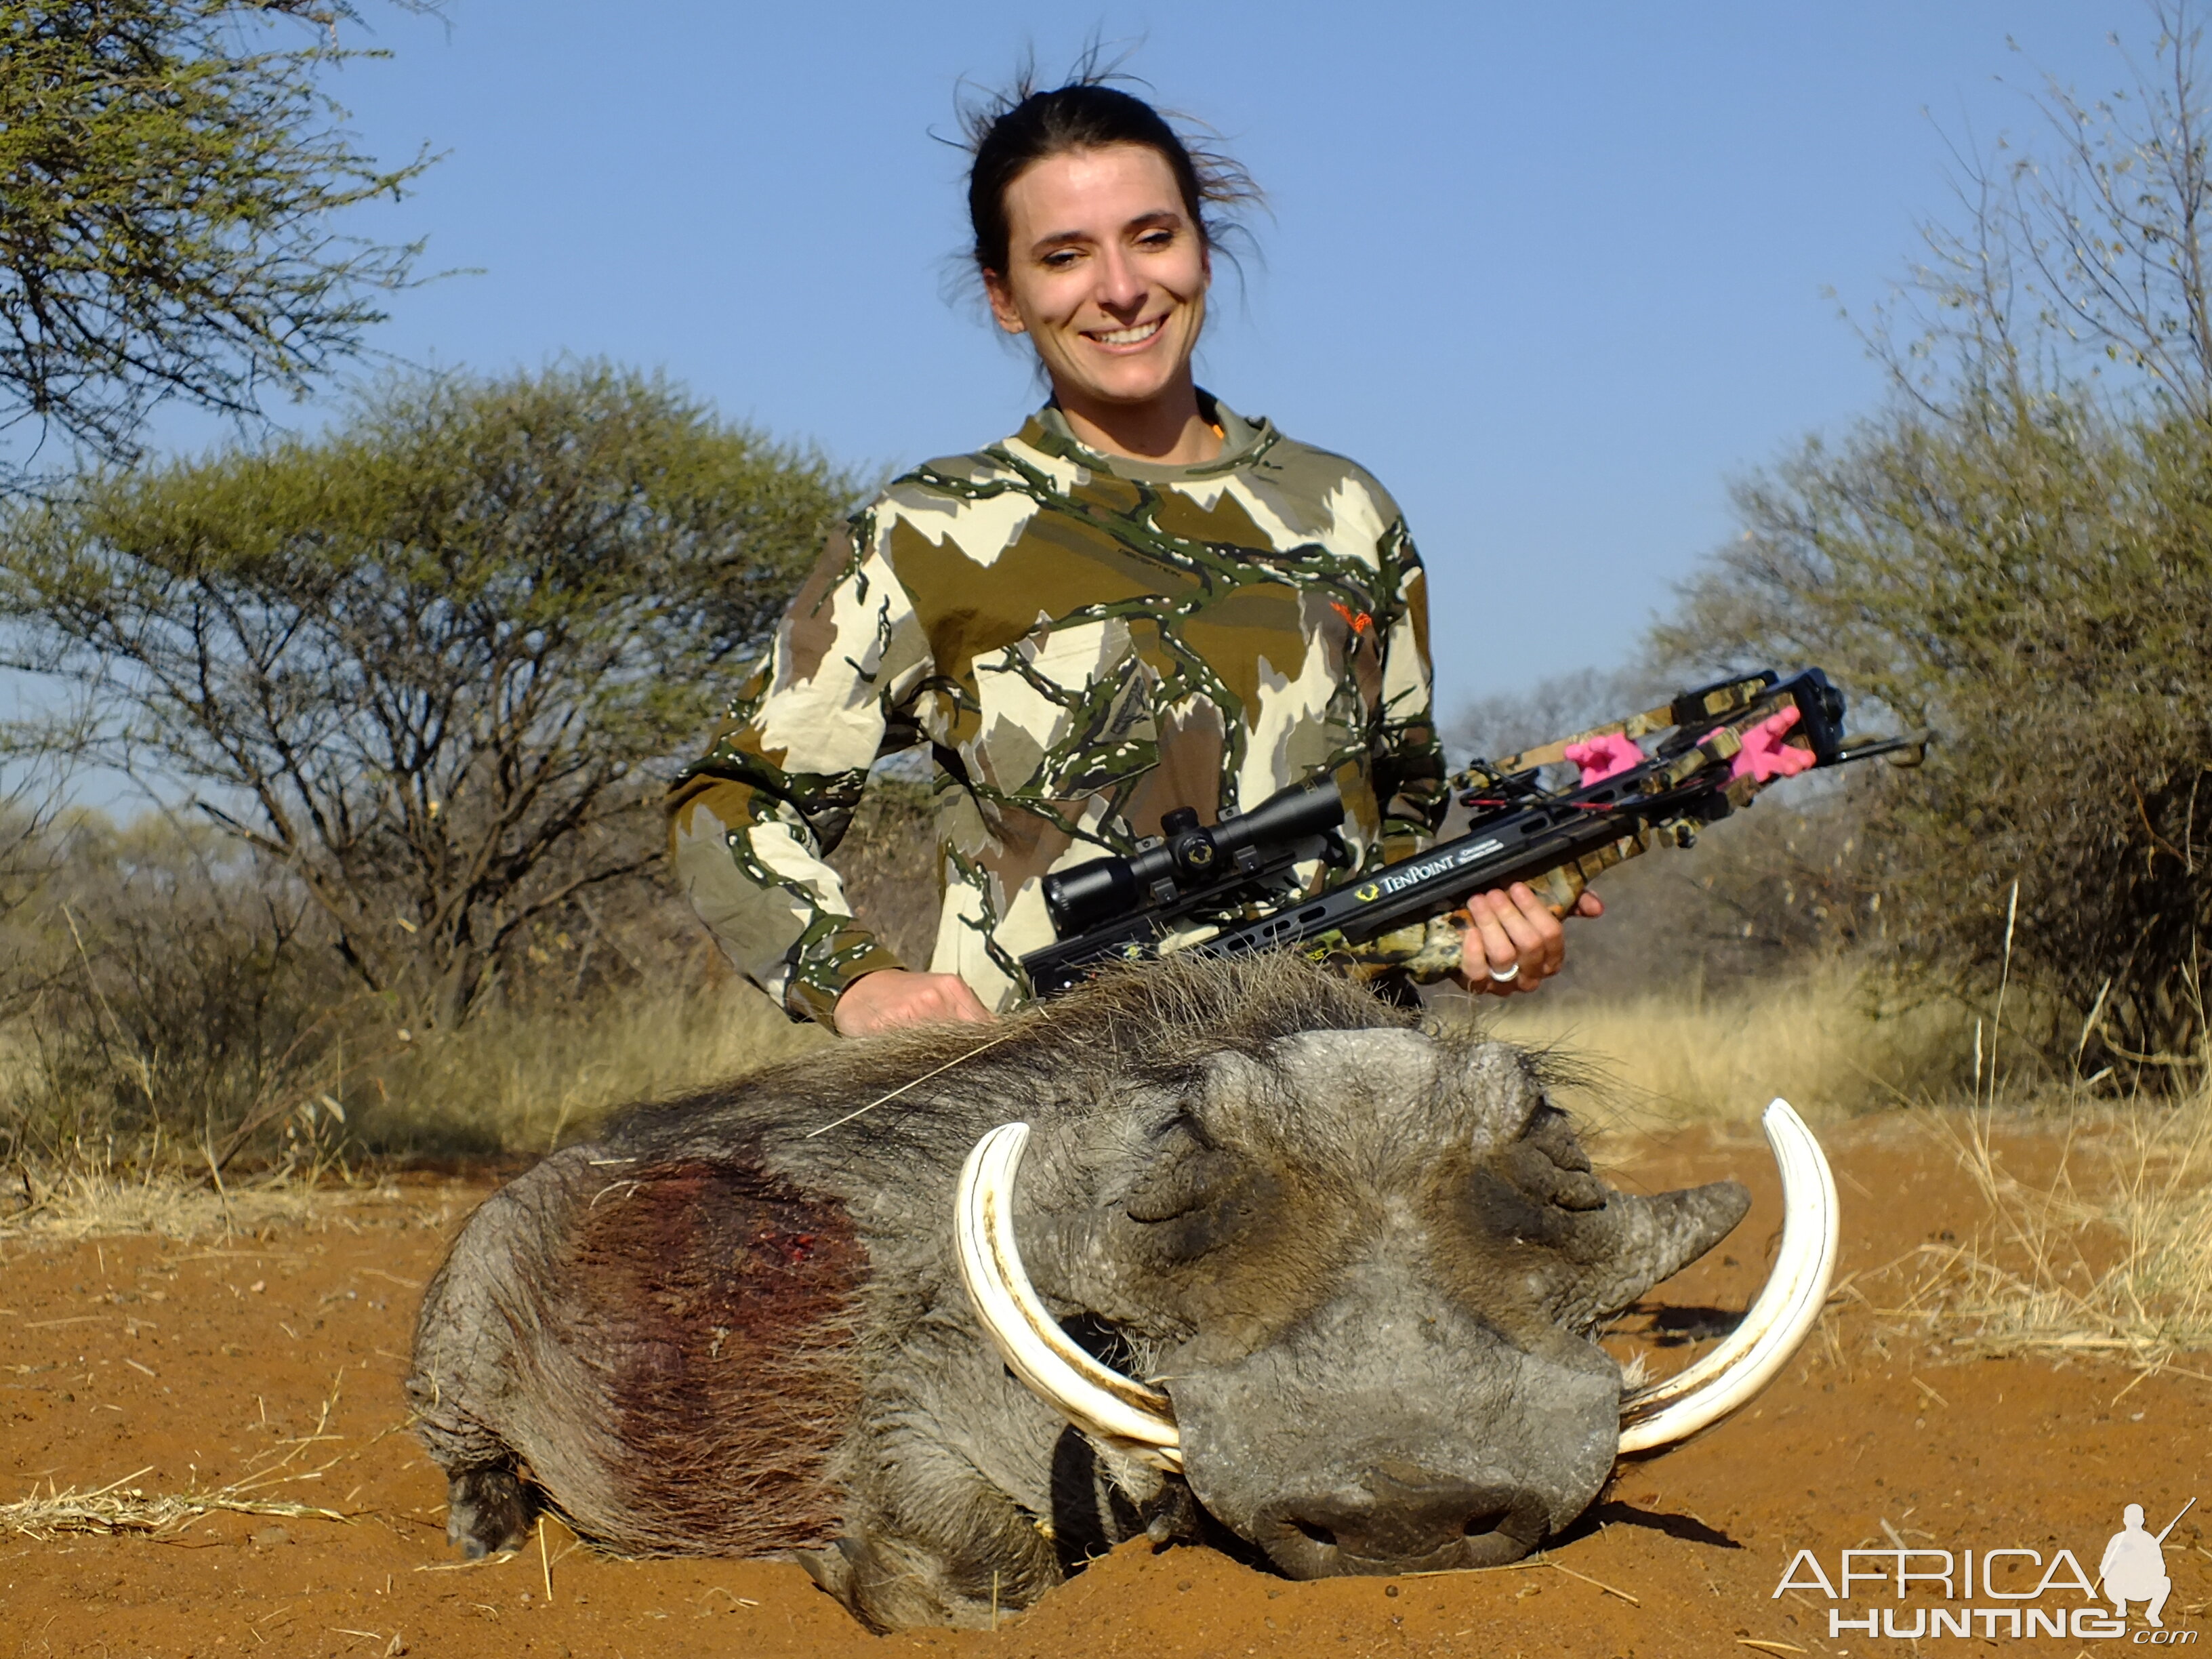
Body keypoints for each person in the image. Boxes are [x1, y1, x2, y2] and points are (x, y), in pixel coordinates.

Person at [667, 74, 1599, 1036]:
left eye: (1153, 237)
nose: (1120, 290)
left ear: (1202, 244)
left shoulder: (1348, 512)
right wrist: (856, 983)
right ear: (1005, 295)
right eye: (1064, 257)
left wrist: (1472, 929)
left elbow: (1403, 802)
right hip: (1060, 1107)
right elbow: (735, 800)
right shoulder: (927, 532)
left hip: (1340, 1103)